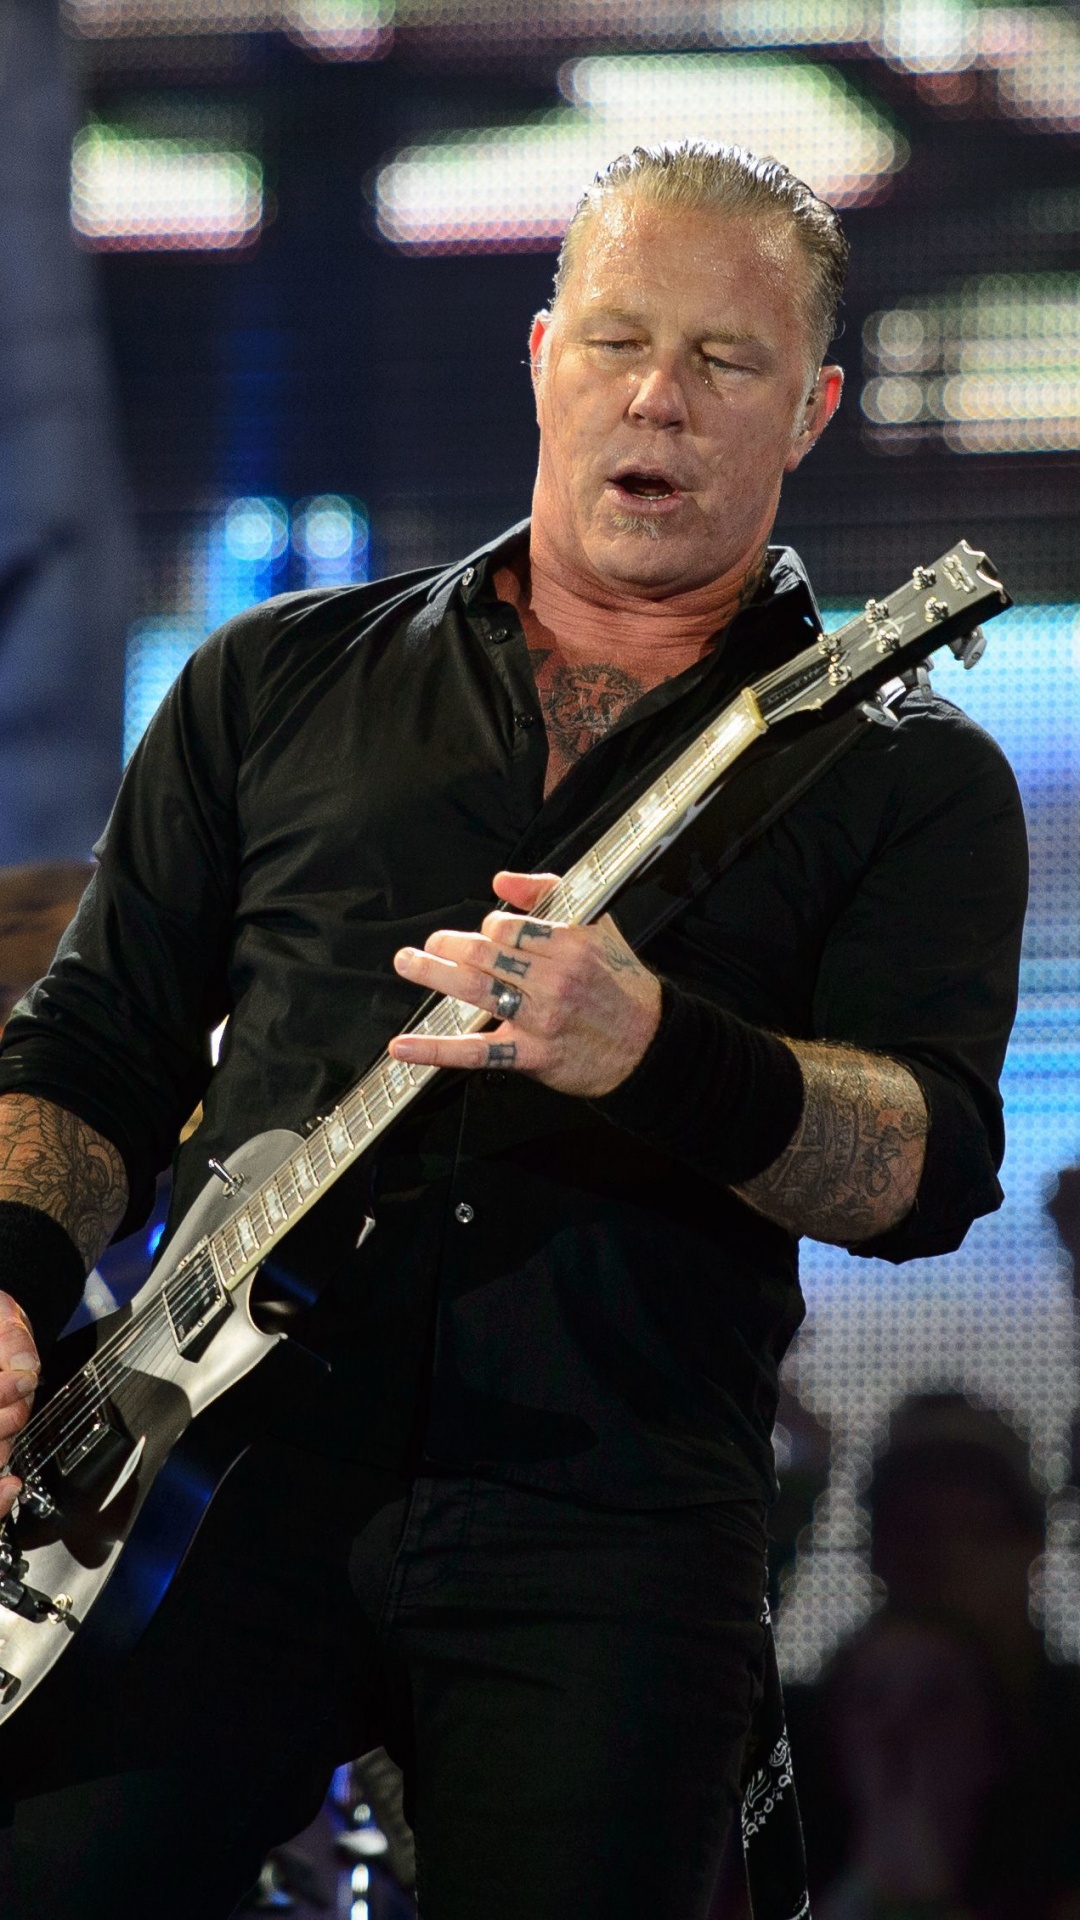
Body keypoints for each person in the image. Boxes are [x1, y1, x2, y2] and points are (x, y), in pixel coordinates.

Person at [0, 142, 1027, 1920]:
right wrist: (12, 1282)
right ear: (543, 356)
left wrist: (658, 1049)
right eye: (619, 340)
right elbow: (95, 1046)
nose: (658, 397)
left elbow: (923, 1168)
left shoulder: (909, 779)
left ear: (812, 411)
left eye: (726, 360)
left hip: (610, 1521)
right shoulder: (274, 678)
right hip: (201, 1482)